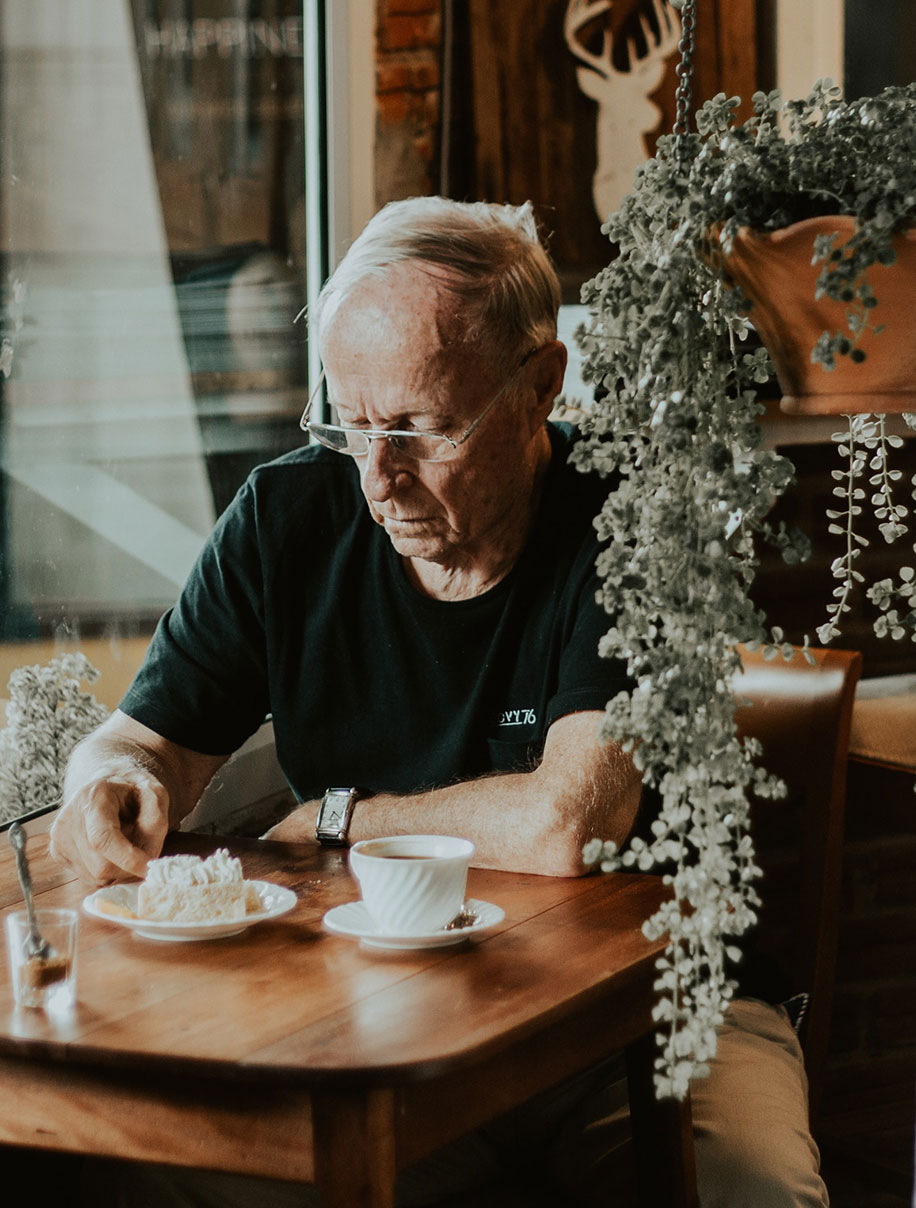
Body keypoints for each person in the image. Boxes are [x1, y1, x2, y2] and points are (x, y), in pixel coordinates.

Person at [52, 197, 828, 1208]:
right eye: (349, 420)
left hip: (648, 1012)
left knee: (747, 1190)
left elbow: (565, 823)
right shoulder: (287, 516)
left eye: (420, 426)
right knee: (173, 1167)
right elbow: (137, 740)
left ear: (540, 384)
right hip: (377, 1015)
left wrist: (334, 819)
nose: (379, 476)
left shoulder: (639, 521)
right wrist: (111, 785)